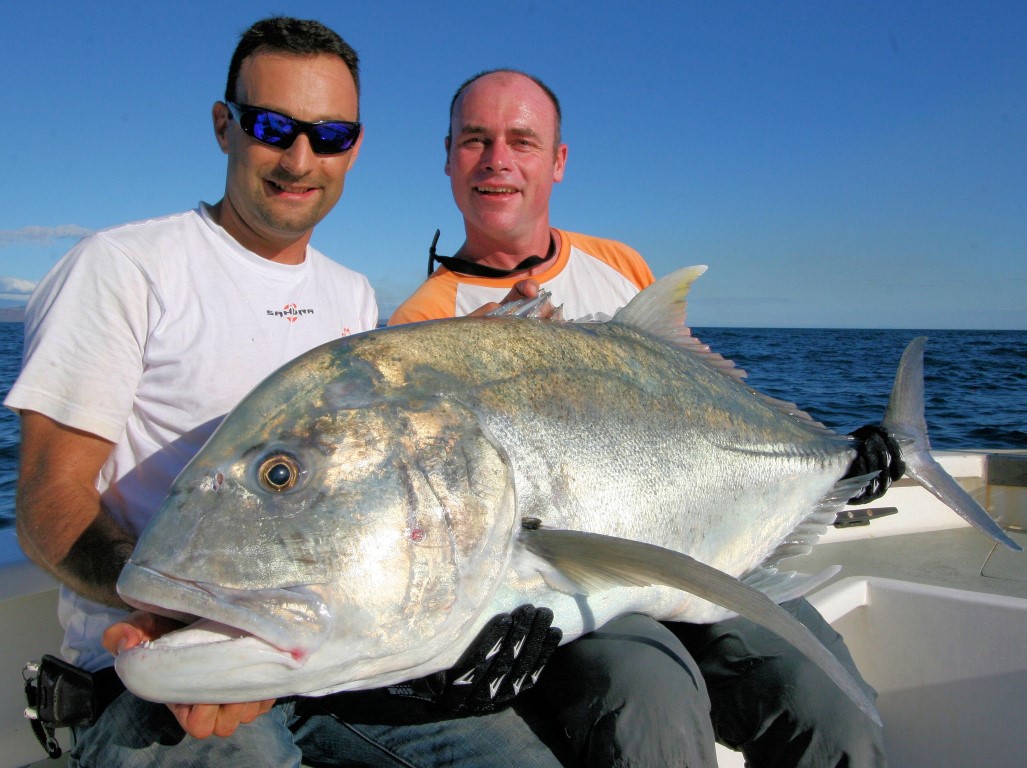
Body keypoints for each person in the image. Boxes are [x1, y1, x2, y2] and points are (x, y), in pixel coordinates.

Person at [7, 22, 565, 768]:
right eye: (273, 127)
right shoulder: (123, 268)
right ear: (223, 126)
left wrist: (479, 357)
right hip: (162, 668)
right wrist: (166, 613)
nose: (300, 159)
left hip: (333, 662)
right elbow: (48, 497)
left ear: (355, 147)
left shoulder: (349, 295)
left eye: (329, 135)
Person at [390, 68, 897, 767]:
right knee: (647, 704)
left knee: (827, 704)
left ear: (557, 160)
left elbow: (705, 407)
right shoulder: (422, 325)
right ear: (448, 155)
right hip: (575, 590)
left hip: (705, 549)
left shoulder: (617, 265)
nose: (497, 160)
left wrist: (837, 456)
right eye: (475, 140)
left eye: (521, 141)